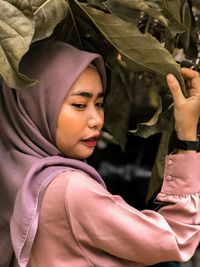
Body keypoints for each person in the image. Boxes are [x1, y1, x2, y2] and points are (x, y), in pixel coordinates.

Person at [0, 41, 200, 267]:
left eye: (99, 104)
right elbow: (178, 237)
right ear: (34, 105)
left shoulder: (13, 172)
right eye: (79, 104)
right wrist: (187, 137)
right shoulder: (70, 190)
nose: (97, 120)